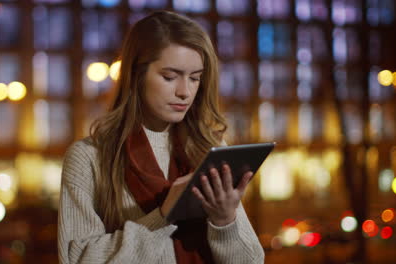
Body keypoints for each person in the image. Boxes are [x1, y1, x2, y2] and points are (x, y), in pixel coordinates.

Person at [58, 11, 265, 264]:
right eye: (170, 77)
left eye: (195, 78)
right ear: (136, 74)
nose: (185, 92)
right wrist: (164, 214)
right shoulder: (90, 157)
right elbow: (79, 259)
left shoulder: (207, 148)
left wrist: (225, 221)